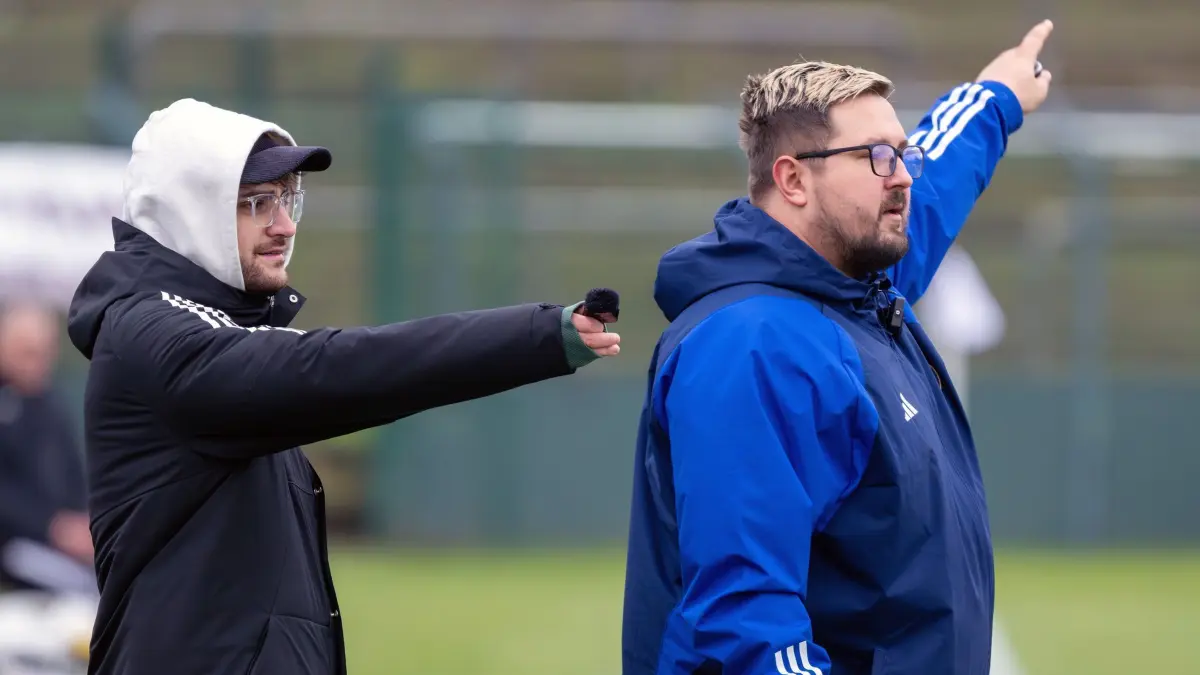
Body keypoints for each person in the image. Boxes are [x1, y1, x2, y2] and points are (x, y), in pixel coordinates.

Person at [65, 99, 621, 675]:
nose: (283, 224)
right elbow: (335, 369)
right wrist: (533, 335)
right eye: (255, 203)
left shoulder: (199, 328)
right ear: (188, 210)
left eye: (287, 197)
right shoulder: (150, 330)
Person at [622, 20, 1054, 675]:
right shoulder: (753, 346)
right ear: (793, 180)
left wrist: (995, 97)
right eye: (876, 157)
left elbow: (933, 184)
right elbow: (746, 624)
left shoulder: (855, 292)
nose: (902, 175)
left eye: (902, 152)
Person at [0, 303, 94, 595]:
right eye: (27, 351)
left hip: (59, 548)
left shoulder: (50, 404)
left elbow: (72, 473)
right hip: (14, 548)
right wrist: (51, 527)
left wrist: (82, 523)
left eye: (44, 351)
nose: (38, 362)